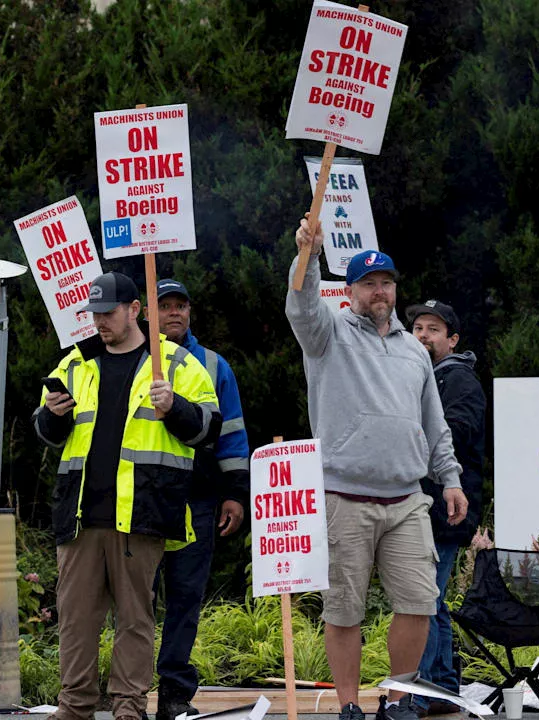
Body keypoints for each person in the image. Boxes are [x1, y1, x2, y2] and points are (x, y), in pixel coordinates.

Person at [285, 220, 467, 720]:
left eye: (386, 282)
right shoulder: (327, 334)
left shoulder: (414, 350)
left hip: (408, 498)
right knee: (344, 609)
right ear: (350, 292)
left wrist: (449, 478)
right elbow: (300, 303)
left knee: (419, 603)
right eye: (368, 283)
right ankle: (349, 707)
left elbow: (434, 423)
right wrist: (308, 254)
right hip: (343, 496)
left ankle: (399, 699)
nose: (379, 290)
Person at [33, 271, 221, 720]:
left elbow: (210, 429)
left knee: (135, 620)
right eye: (94, 314)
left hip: (142, 513)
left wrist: (175, 406)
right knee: (76, 620)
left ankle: (128, 707)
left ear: (135, 310)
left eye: (108, 313)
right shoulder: (74, 363)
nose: (99, 322)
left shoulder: (175, 363)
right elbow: (45, 430)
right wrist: (54, 415)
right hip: (80, 514)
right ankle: (74, 706)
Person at [151, 278, 250, 720]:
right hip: (144, 499)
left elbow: (232, 433)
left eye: (181, 306)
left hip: (198, 498)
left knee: (186, 597)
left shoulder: (213, 364)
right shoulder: (133, 359)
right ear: (146, 313)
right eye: (164, 306)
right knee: (135, 600)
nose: (174, 313)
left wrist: (234, 493)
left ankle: (173, 694)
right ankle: (129, 692)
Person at [404, 300, 486, 716]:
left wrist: (402, 433)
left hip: (445, 509)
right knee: (430, 599)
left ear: (452, 340)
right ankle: (440, 687)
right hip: (430, 506)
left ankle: (423, 692)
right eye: (418, 327)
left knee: (423, 600)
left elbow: (452, 434)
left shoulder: (458, 382)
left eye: (433, 329)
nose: (423, 335)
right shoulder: (422, 377)